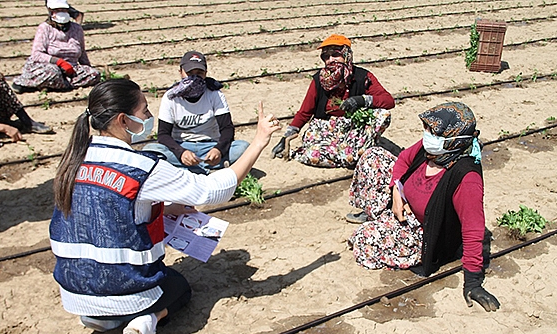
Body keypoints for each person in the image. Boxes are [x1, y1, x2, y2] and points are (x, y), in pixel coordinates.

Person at [49, 78, 280, 334]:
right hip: (125, 288)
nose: (149, 117)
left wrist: (166, 208)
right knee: (178, 286)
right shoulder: (142, 167)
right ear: (124, 119)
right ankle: (146, 321)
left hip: (73, 291)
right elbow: (213, 190)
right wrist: (259, 141)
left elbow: (107, 208)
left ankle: (101, 318)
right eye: (145, 110)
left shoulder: (73, 160)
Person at [346, 102, 500, 312]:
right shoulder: (434, 148)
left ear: (454, 139)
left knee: (363, 240)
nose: (427, 135)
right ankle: (385, 214)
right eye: (427, 129)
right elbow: (403, 159)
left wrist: (473, 282)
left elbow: (473, 230)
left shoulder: (466, 178)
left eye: (432, 131)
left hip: (424, 233)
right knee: (373, 156)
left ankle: (386, 224)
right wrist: (396, 191)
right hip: (405, 203)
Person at [270, 34, 395, 168]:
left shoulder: (362, 77)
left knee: (383, 115)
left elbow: (388, 101)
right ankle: (348, 154)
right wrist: (286, 137)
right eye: (326, 57)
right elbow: (305, 112)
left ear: (346, 55)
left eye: (335, 55)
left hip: (353, 127)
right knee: (314, 156)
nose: (330, 60)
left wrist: (361, 100)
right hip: (325, 128)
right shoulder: (318, 80)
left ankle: (348, 153)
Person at [143, 51, 250, 174]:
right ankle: (207, 169)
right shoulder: (171, 97)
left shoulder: (215, 94)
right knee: (150, 150)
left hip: (209, 146)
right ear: (180, 72)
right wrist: (181, 152)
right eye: (189, 73)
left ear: (206, 73)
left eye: (199, 73)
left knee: (243, 148)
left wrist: (218, 150)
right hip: (182, 146)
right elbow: (163, 135)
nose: (194, 77)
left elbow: (227, 128)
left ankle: (186, 170)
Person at [12, 0, 100, 93]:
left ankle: (56, 84)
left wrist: (87, 68)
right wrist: (59, 62)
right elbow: (36, 54)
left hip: (71, 68)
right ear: (51, 12)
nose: (61, 12)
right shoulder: (45, 28)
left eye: (64, 10)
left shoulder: (77, 29)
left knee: (94, 74)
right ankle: (56, 83)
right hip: (47, 66)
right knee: (53, 73)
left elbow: (82, 52)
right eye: (58, 10)